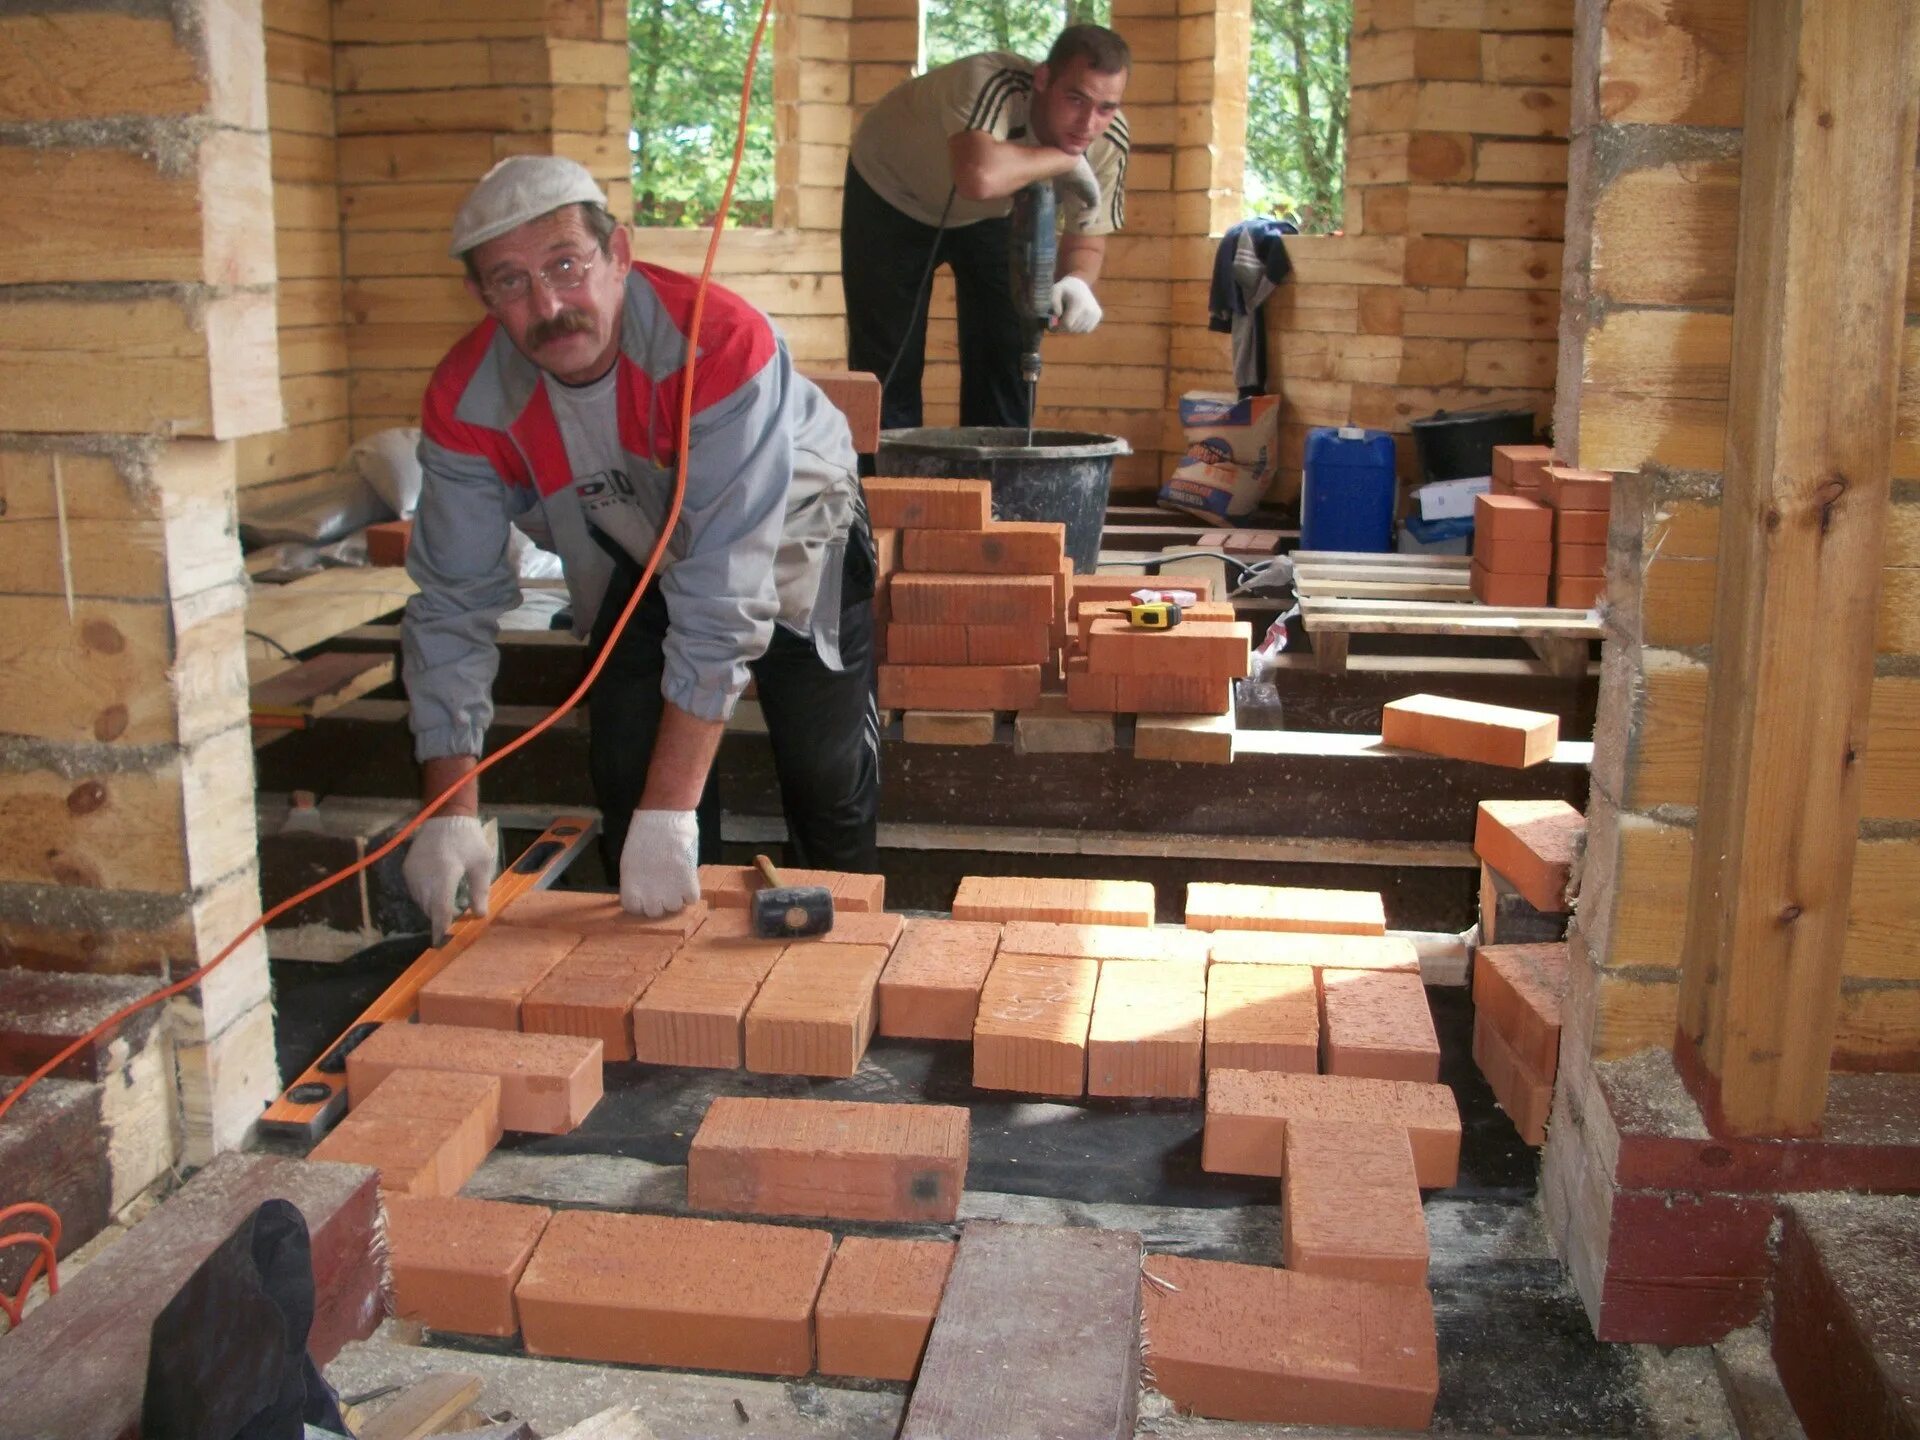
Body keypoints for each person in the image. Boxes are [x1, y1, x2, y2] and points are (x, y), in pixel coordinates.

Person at [399, 156, 880, 939]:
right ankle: (671, 962)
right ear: (481, 296)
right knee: (625, 761)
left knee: (822, 769)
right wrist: (450, 812)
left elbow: (725, 589)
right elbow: (451, 603)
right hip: (645, 532)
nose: (549, 305)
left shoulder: (719, 344)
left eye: (565, 264)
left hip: (797, 523)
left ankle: (848, 953)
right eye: (511, 282)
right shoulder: (467, 401)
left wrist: (672, 807)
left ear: (618, 255)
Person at [842, 24, 1131, 433]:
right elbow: (978, 177)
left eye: (1106, 107)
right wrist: (1065, 160)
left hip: (993, 216)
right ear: (1043, 79)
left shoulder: (1109, 141)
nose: (1088, 123)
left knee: (1008, 355)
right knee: (888, 363)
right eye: (1075, 98)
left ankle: (997, 490)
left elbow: (1087, 237)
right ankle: (879, 491)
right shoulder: (989, 82)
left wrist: (1079, 282)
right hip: (890, 192)